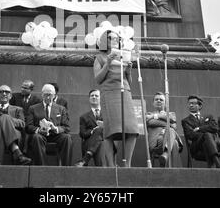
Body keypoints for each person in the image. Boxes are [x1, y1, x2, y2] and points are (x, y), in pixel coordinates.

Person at [93, 30, 141, 167]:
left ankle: (127, 164)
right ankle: (111, 165)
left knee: (132, 129)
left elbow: (129, 80)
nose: (115, 40)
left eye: (117, 38)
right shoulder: (100, 57)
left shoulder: (123, 56)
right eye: (111, 38)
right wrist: (108, 63)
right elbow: (98, 79)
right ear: (104, 40)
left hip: (125, 92)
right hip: (109, 93)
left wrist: (129, 70)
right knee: (111, 130)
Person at [26, 84, 72, 166]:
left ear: (54, 95)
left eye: (50, 95)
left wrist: (56, 128)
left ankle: (66, 167)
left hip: (56, 135)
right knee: (36, 137)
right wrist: (39, 130)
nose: (47, 97)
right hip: (41, 134)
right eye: (45, 95)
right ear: (42, 94)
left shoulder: (61, 109)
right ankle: (42, 167)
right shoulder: (33, 108)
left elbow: (67, 127)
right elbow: (28, 126)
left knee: (67, 138)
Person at [181, 95, 220, 168]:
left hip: (214, 144)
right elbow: (190, 135)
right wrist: (205, 133)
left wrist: (199, 129)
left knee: (206, 142)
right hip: (197, 147)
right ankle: (217, 161)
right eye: (189, 103)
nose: (191, 105)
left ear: (200, 106)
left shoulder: (208, 116)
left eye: (193, 103)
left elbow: (215, 128)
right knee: (207, 135)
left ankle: (213, 163)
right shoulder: (185, 121)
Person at [146, 92, 183, 167]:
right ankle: (166, 155)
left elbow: (173, 122)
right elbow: (151, 122)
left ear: (166, 104)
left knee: (173, 137)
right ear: (153, 103)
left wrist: (155, 116)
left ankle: (165, 154)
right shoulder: (148, 114)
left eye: (161, 100)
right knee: (171, 131)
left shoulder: (171, 114)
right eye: (156, 99)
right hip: (156, 143)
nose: (159, 101)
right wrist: (168, 123)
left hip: (168, 140)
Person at [75, 89, 106, 167]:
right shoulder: (83, 117)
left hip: (105, 141)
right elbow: (82, 134)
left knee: (101, 142)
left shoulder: (107, 114)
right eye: (92, 96)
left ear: (100, 98)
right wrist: (93, 131)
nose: (94, 97)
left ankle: (86, 158)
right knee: (98, 132)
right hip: (88, 142)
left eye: (96, 96)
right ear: (89, 99)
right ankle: (101, 170)